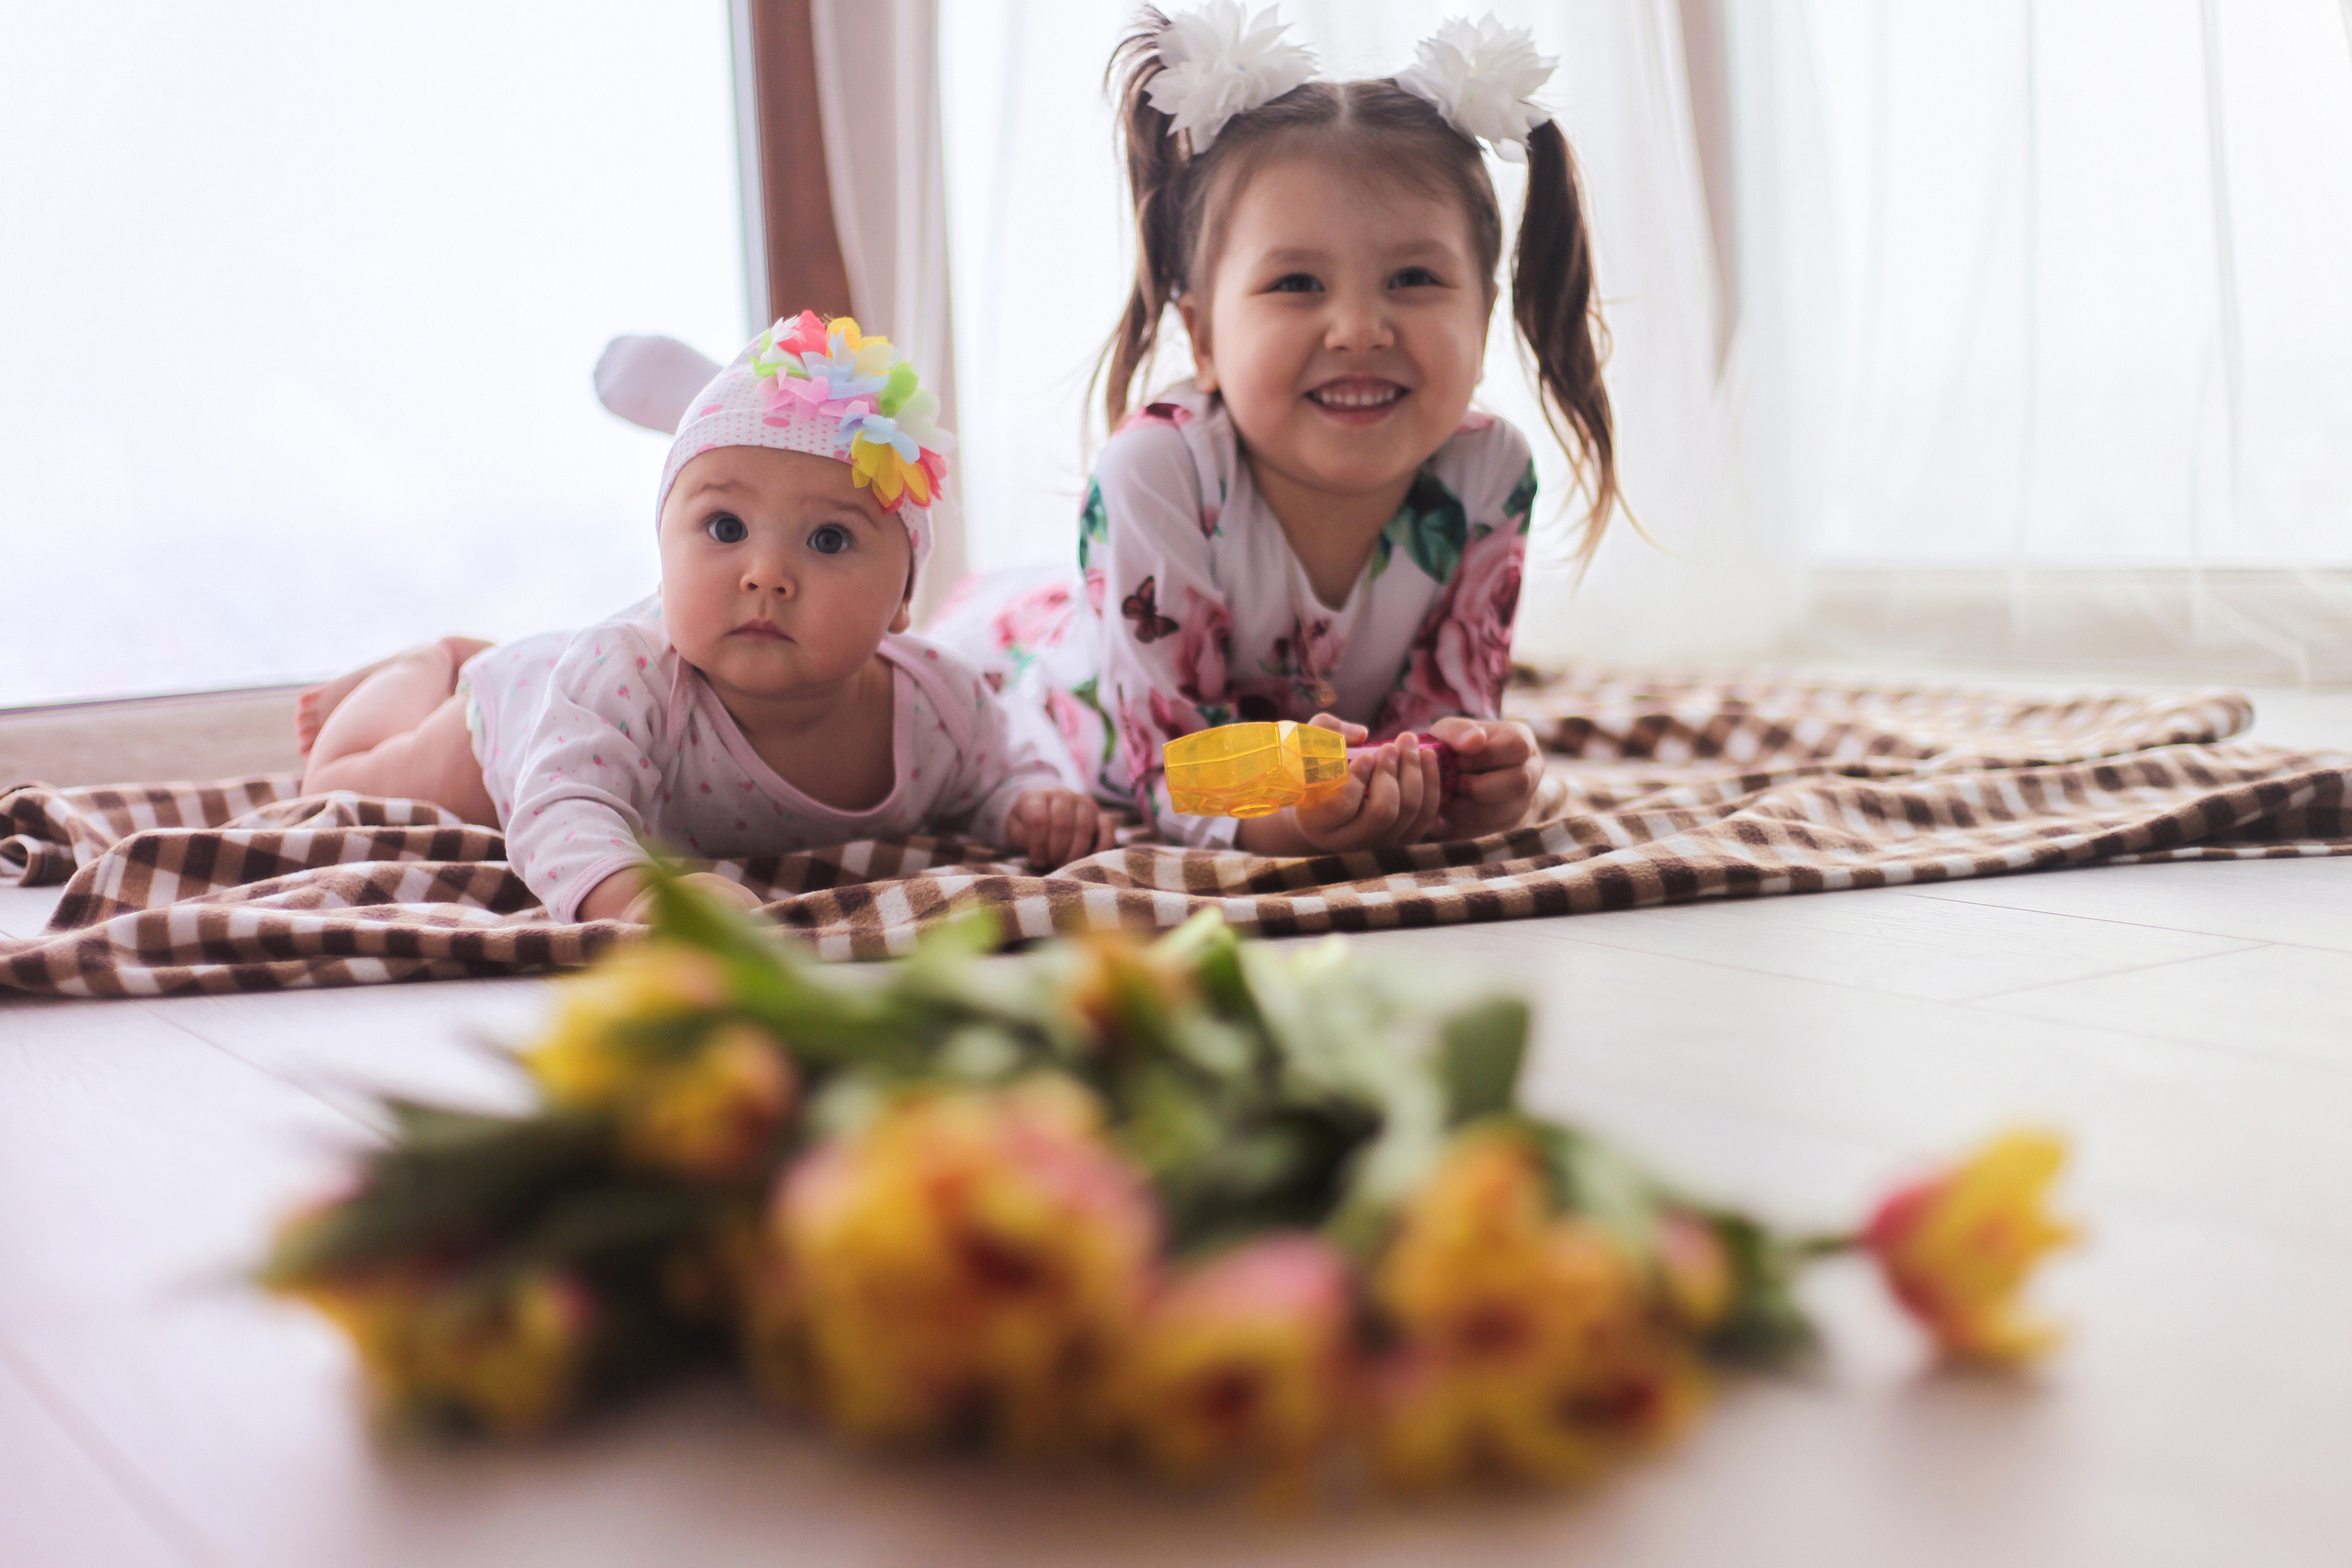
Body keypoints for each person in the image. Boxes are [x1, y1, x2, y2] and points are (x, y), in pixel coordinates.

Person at [933, 6, 1615, 852]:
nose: (1359, 328)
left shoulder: (1487, 468)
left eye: (1414, 277)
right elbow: (1168, 765)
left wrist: (1470, 773)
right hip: (1033, 690)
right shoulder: (1157, 469)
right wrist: (1284, 824)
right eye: (1296, 282)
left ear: (1484, 319)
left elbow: (1444, 714)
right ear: (1205, 337)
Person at [297, 310, 1114, 924]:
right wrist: (638, 896)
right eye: (724, 529)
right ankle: (430, 665)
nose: (766, 574)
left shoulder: (941, 703)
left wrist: (1031, 802)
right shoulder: (626, 675)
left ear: (904, 598)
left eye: (829, 539)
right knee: (351, 786)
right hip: (520, 715)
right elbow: (560, 808)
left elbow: (999, 766)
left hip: (569, 685)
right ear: (663, 548)